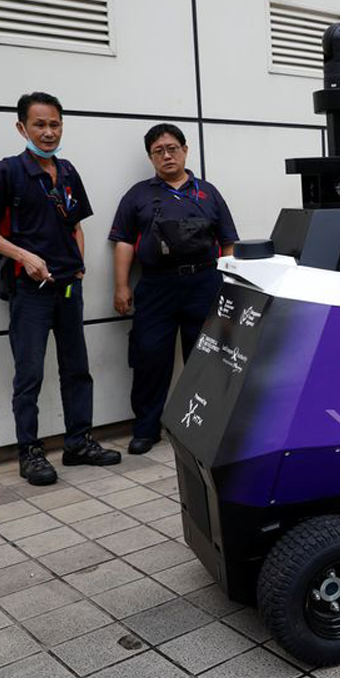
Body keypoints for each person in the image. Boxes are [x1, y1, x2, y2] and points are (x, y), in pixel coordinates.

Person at [0, 92, 121, 486]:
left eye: (55, 124)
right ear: (21, 127)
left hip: (69, 288)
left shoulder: (68, 171)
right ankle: (30, 451)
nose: (48, 132)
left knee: (77, 369)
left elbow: (76, 226)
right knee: (30, 373)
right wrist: (24, 256)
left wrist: (79, 265)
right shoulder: (5, 172)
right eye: (39, 124)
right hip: (30, 290)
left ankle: (78, 443)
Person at [109, 124, 239, 454]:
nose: (166, 155)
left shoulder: (208, 192)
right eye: (158, 151)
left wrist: (230, 285)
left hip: (204, 283)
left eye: (172, 148)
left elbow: (228, 243)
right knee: (150, 357)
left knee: (207, 358)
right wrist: (122, 285)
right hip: (155, 286)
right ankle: (146, 428)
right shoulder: (138, 195)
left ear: (185, 149)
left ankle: (206, 426)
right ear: (151, 156)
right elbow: (123, 242)